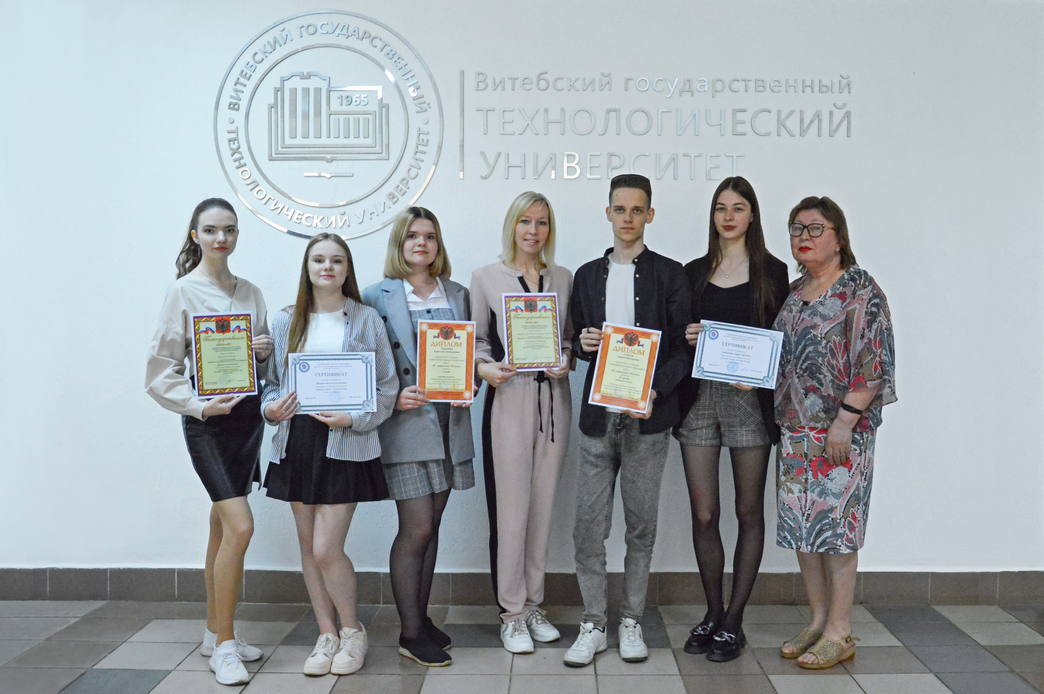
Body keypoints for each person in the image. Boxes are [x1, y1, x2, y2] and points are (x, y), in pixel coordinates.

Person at [145, 198, 272, 686]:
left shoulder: (251, 292)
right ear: (195, 235)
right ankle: (225, 648)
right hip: (207, 424)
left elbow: (263, 368)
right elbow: (160, 371)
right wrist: (198, 405)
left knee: (221, 528)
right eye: (212, 230)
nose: (222, 238)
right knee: (241, 527)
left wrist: (263, 353)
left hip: (247, 423)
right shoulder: (181, 292)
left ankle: (213, 631)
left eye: (230, 230)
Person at [566, 174, 690, 667]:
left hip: (648, 421)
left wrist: (655, 391)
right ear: (608, 213)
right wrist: (582, 345)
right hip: (598, 420)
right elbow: (578, 341)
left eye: (637, 210)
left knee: (640, 527)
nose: (628, 218)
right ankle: (594, 623)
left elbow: (681, 349)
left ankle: (631, 619)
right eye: (620, 209)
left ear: (650, 215)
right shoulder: (586, 275)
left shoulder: (670, 274)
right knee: (587, 527)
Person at [261, 233, 398, 677]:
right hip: (297, 440)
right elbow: (271, 385)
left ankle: (352, 630)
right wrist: (270, 408)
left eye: (336, 260)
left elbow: (387, 386)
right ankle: (326, 634)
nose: (327, 267)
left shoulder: (366, 318)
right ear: (307, 268)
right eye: (318, 259)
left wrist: (354, 418)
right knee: (308, 546)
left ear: (347, 269)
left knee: (326, 548)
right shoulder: (286, 320)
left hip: (346, 442)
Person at [773, 197, 896, 669]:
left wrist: (844, 423)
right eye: (796, 228)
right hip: (796, 432)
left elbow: (874, 364)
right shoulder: (794, 291)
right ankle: (818, 620)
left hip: (841, 435)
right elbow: (781, 358)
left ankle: (840, 631)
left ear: (839, 237)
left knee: (837, 532)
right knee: (804, 531)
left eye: (815, 228)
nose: (803, 236)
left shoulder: (859, 290)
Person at [675, 177, 790, 662]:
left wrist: (760, 373)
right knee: (704, 514)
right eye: (721, 208)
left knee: (748, 512)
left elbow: (784, 340)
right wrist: (687, 334)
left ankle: (734, 621)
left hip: (749, 403)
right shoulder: (692, 271)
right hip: (700, 400)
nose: (728, 216)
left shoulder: (774, 271)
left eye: (738, 208)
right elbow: (676, 335)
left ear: (752, 215)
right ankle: (713, 611)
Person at [362, 207, 475, 667]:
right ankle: (410, 633)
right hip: (406, 425)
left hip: (450, 424)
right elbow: (362, 361)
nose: (421, 243)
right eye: (412, 236)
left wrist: (471, 382)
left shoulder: (458, 292)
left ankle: (421, 619)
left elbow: (473, 352)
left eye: (429, 236)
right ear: (399, 243)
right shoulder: (375, 295)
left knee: (434, 526)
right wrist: (391, 398)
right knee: (417, 528)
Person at [470, 191, 573, 654]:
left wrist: (566, 359)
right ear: (512, 225)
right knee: (511, 512)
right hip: (509, 400)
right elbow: (477, 343)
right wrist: (484, 368)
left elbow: (568, 339)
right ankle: (511, 613)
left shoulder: (563, 278)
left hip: (553, 402)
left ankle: (533, 605)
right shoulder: (486, 277)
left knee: (542, 508)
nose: (533, 231)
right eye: (525, 221)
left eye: (542, 222)